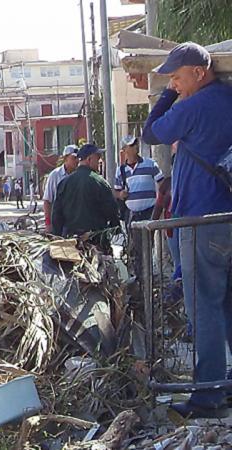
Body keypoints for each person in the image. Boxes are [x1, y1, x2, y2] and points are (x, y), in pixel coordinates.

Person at [141, 42, 232, 418]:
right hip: (226, 218)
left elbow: (149, 133)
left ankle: (208, 395)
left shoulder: (194, 107)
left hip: (199, 219)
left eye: (177, 77)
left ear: (198, 72)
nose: (174, 84)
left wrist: (164, 96)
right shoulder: (228, 98)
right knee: (227, 305)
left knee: (203, 307)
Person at [114, 135, 164, 281]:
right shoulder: (121, 170)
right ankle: (140, 279)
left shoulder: (150, 164)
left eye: (136, 144)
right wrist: (121, 194)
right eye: (131, 145)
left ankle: (147, 277)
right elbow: (116, 191)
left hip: (149, 211)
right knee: (135, 248)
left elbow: (162, 185)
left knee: (147, 246)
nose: (135, 147)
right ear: (125, 150)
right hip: (132, 214)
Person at [52, 144, 120, 239]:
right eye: (98, 158)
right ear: (89, 159)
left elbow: (56, 214)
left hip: (71, 241)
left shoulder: (64, 183)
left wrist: (57, 236)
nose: (100, 161)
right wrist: (116, 228)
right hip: (96, 239)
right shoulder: (100, 182)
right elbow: (111, 211)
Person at [43, 145, 79, 232]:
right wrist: (48, 224)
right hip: (59, 221)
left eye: (78, 158)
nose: (77, 161)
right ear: (66, 158)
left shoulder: (79, 175)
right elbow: (47, 201)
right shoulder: (55, 175)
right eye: (74, 158)